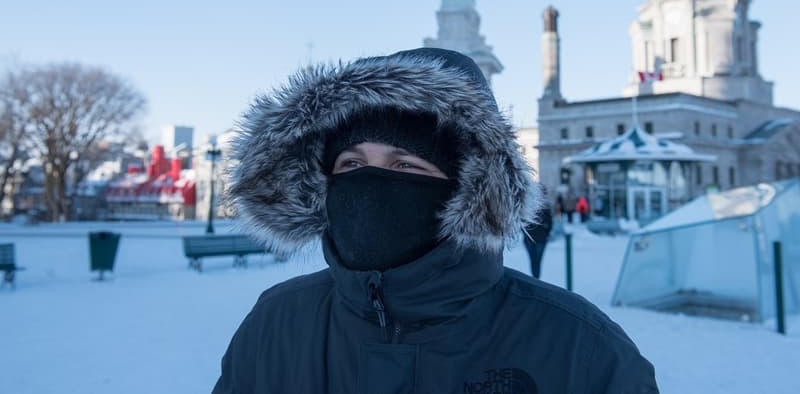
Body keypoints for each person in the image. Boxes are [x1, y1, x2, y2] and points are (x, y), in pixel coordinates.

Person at [214, 48, 659, 393]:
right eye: (351, 164)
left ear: (466, 186)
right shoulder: (277, 324)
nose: (370, 184)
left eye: (404, 164)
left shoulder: (580, 349)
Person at [522, 201, 553, 279]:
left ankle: (535, 278)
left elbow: (549, 223)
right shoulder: (528, 206)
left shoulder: (529, 206)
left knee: (535, 260)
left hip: (538, 239)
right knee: (535, 260)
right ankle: (536, 278)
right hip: (532, 239)